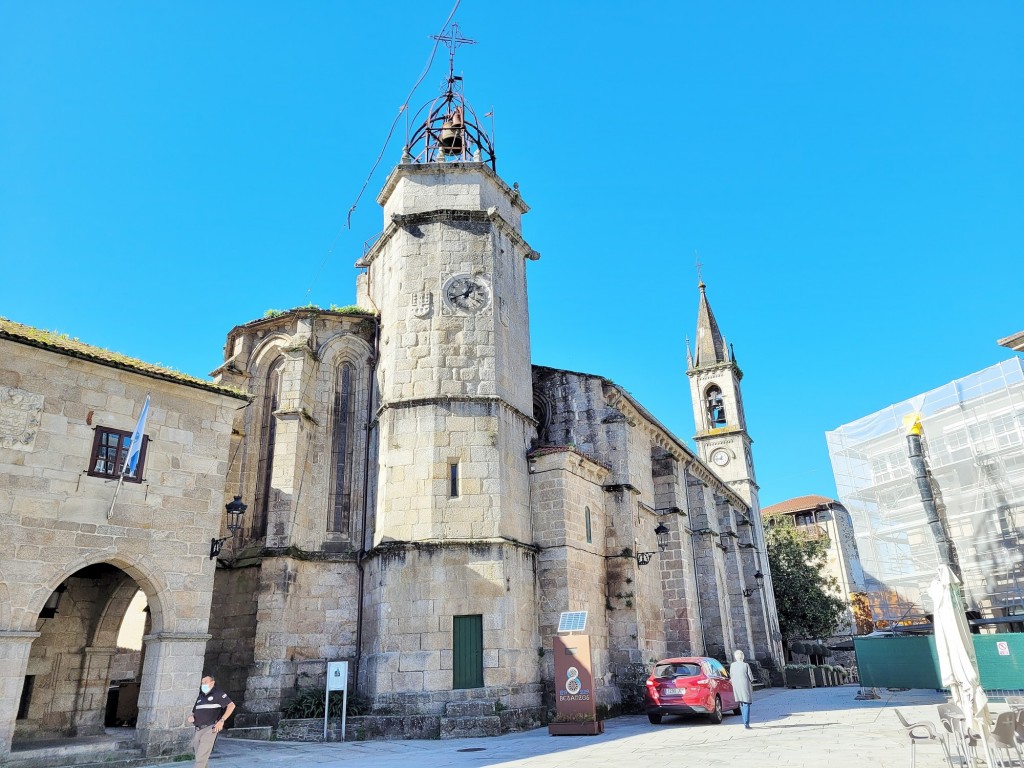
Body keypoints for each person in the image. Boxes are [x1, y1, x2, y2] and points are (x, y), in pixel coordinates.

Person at [187, 673, 235, 768]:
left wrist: (221, 721)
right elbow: (194, 712)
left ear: (212, 683)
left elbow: (231, 705)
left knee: (200, 759)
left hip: (210, 729)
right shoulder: (200, 697)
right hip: (198, 729)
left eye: (206, 682)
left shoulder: (218, 694)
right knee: (200, 757)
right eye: (202, 682)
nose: (203, 684)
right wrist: (191, 717)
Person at [729, 650, 755, 728]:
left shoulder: (732, 665)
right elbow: (751, 677)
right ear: (742, 657)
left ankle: (744, 722)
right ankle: (746, 723)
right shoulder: (745, 665)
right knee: (746, 704)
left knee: (741, 704)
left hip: (737, 687)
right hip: (745, 687)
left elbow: (731, 676)